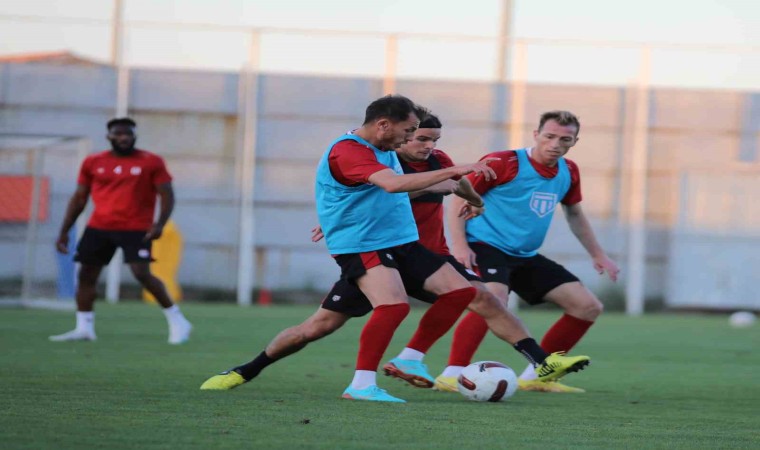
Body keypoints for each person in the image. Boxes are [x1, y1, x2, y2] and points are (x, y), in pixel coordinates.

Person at [200, 101, 589, 402]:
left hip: (400, 245)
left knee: (469, 293)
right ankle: (351, 383)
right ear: (385, 125)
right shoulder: (351, 151)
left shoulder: (392, 149)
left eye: (423, 135)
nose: (414, 140)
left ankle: (537, 361)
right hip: (364, 246)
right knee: (363, 314)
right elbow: (391, 186)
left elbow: (428, 187)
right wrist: (457, 172)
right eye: (411, 133)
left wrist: (473, 196)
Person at [436, 110, 620, 393]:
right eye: (549, 136)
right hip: (485, 246)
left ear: (575, 141)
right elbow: (460, 198)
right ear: (536, 135)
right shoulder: (504, 162)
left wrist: (598, 254)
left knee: (587, 306)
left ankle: (537, 377)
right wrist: (459, 245)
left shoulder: (569, 171)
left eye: (565, 139)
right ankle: (452, 373)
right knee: (493, 299)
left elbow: (574, 213)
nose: (555, 144)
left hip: (524, 255)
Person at [49, 118, 192, 345]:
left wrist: (159, 224)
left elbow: (167, 194)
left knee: (141, 274)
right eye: (118, 134)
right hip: (99, 226)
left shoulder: (151, 162)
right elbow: (79, 198)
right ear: (109, 136)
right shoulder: (93, 162)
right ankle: (84, 328)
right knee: (86, 276)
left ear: (135, 136)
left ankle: (178, 320)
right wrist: (64, 231)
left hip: (136, 228)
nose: (124, 138)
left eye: (128, 134)